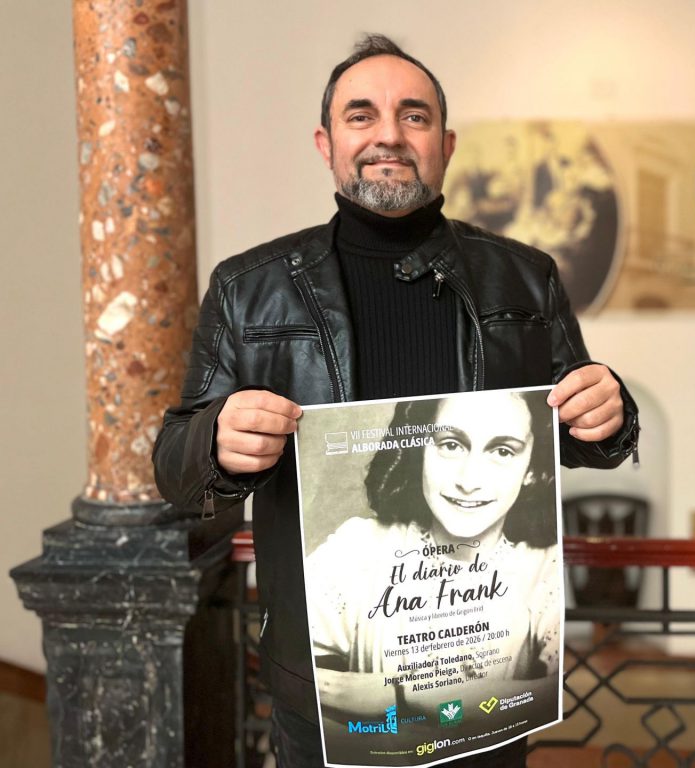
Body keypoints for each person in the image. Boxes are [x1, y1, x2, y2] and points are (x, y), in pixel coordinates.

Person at [153, 33, 639, 768]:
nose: (389, 135)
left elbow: (575, 433)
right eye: (362, 115)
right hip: (329, 685)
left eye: (414, 116)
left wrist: (611, 414)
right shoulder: (248, 290)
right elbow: (174, 469)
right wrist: (215, 441)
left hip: (483, 679)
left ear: (446, 145)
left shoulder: (525, 278)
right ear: (326, 144)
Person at [305, 391, 561, 760]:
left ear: (532, 469)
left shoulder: (542, 566)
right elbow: (301, 680)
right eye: (451, 445)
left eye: (503, 451)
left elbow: (552, 695)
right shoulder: (359, 546)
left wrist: (400, 694)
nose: (469, 481)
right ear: (419, 449)